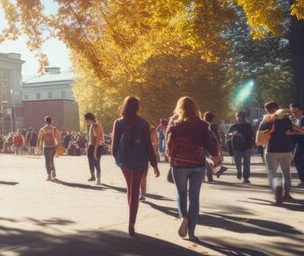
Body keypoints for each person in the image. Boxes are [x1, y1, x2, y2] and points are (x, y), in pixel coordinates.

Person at [166, 96, 222, 241]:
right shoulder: (202, 125)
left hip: (179, 165)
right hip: (198, 165)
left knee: (181, 194)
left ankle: (183, 217)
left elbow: (168, 146)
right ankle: (191, 232)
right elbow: (210, 144)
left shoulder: (175, 124)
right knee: (194, 197)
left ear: (179, 108)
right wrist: (216, 157)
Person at [111, 96, 160, 236]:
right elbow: (148, 145)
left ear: (124, 106)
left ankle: (131, 219)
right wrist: (154, 164)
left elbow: (114, 146)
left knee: (130, 188)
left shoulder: (118, 123)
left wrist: (118, 158)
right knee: (135, 189)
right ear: (137, 107)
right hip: (140, 160)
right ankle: (131, 223)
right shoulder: (144, 124)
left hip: (125, 160)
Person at [258, 101, 295, 205]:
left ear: (272, 109)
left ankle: (277, 187)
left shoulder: (267, 119)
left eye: (267, 109)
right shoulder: (286, 119)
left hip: (271, 149)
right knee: (286, 172)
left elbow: (260, 132)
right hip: (286, 149)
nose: (267, 111)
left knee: (271, 172)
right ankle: (287, 193)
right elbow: (291, 131)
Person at [227, 111, 255, 184]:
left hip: (247, 147)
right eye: (237, 116)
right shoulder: (233, 126)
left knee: (247, 163)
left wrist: (252, 143)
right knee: (238, 162)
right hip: (236, 147)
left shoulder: (248, 125)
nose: (239, 118)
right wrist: (232, 134)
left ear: (243, 117)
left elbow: (252, 134)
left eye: (240, 116)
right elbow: (228, 135)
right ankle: (239, 171)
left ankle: (246, 178)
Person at [202, 112, 228, 182]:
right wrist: (220, 144)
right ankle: (211, 175)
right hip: (211, 145)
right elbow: (220, 134)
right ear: (212, 118)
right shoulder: (213, 125)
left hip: (202, 145)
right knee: (210, 160)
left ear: (204, 116)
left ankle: (204, 177)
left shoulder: (201, 124)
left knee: (204, 161)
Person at [36, 116, 62, 181]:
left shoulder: (42, 129)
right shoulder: (55, 129)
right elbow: (58, 139)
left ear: (45, 121)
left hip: (46, 147)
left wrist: (38, 149)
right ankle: (53, 171)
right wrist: (58, 149)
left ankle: (49, 175)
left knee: (47, 161)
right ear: (51, 121)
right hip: (53, 147)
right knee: (51, 160)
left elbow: (40, 139)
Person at [84, 113, 104, 185]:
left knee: (96, 162)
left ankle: (98, 179)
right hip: (91, 146)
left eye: (86, 120)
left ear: (89, 119)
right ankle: (93, 176)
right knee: (90, 161)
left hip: (97, 146)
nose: (85, 121)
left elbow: (98, 139)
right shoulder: (91, 125)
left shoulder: (96, 126)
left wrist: (95, 151)